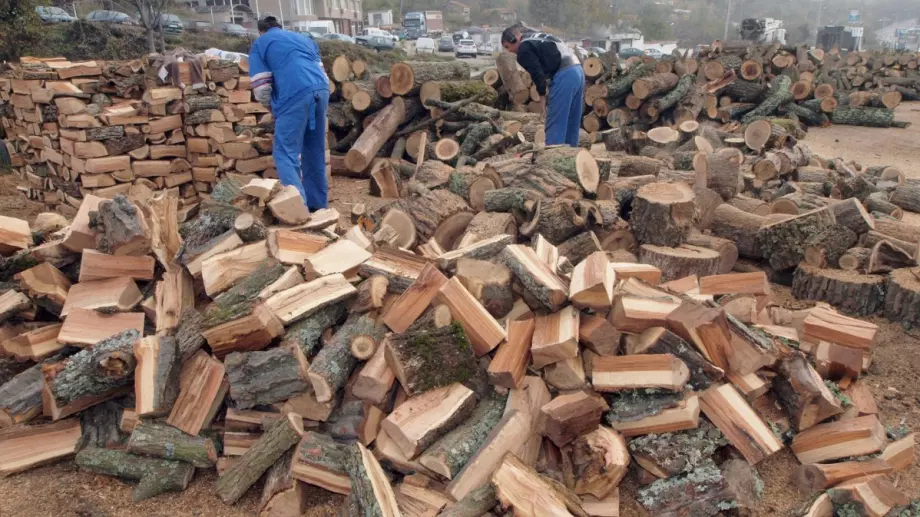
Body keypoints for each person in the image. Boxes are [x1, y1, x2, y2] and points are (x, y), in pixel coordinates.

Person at [249, 16, 330, 210]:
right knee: (314, 150)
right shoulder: (303, 39)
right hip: (322, 90)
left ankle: (297, 209)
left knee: (285, 153)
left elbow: (261, 86)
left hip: (293, 94)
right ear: (280, 26)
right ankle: (318, 207)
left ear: (261, 31)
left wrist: (271, 108)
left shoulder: (260, 44)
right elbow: (322, 72)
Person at [501, 26, 584, 147]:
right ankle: (571, 155)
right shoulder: (536, 37)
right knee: (572, 122)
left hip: (564, 74)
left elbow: (537, 74)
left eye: (508, 46)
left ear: (513, 39)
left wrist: (542, 97)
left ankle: (553, 155)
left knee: (555, 123)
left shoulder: (523, 50)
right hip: (578, 70)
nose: (510, 51)